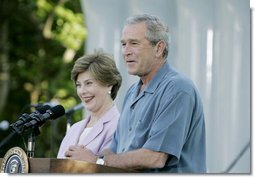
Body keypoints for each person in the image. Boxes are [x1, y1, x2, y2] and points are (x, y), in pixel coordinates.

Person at [64, 14, 206, 173]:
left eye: (134, 43)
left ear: (158, 48)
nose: (126, 51)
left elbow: (155, 157)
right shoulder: (132, 92)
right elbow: (115, 150)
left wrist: (96, 161)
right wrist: (88, 155)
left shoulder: (178, 88)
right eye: (124, 44)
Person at [57, 50, 122, 158]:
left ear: (109, 84)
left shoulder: (119, 126)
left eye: (88, 83)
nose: (82, 91)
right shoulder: (74, 129)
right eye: (79, 85)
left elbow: (110, 169)